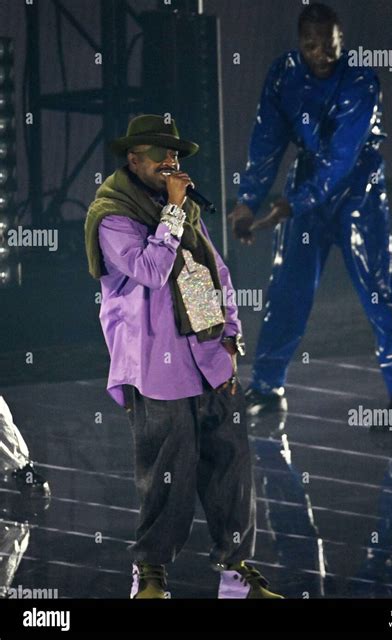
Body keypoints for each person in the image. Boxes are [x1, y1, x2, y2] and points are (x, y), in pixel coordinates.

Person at [84, 114, 282, 598]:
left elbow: (217, 276)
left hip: (209, 357)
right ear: (135, 160)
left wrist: (232, 338)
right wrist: (172, 212)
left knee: (230, 468)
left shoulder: (184, 214)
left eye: (174, 156)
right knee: (166, 475)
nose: (171, 164)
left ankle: (236, 574)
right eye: (161, 156)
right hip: (156, 367)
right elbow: (152, 270)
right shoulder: (112, 217)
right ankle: (149, 575)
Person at [228, 2, 392, 432]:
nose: (321, 55)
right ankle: (266, 387)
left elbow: (342, 159)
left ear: (342, 43)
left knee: (376, 290)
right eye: (312, 46)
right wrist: (249, 199)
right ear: (300, 44)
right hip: (307, 186)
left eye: (330, 46)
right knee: (286, 288)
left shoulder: (360, 82)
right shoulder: (284, 76)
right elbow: (267, 138)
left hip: (359, 192)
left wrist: (293, 203)